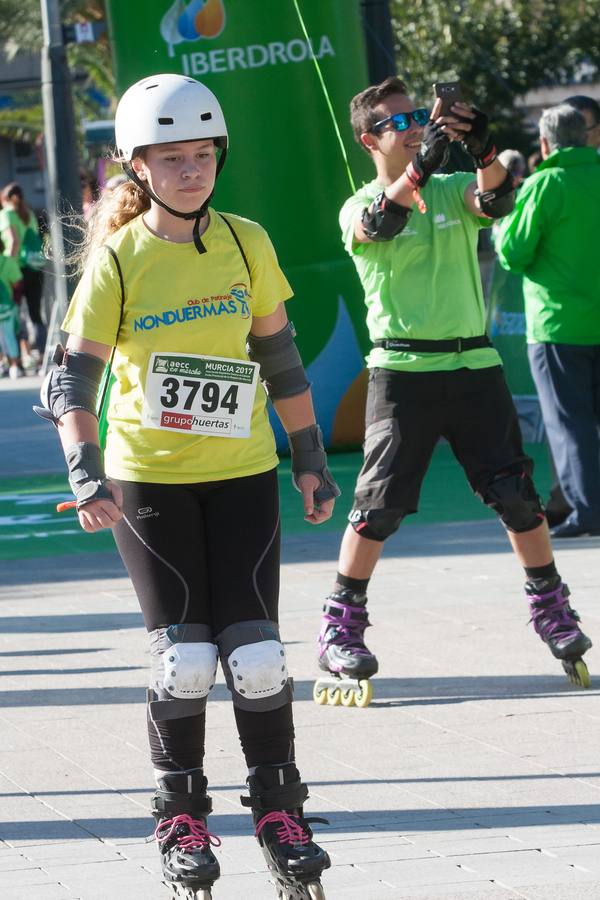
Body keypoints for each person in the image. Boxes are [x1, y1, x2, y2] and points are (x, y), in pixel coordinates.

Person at [35, 73, 337, 900]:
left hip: (244, 474)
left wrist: (309, 456)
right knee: (188, 661)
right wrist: (85, 470)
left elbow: (279, 358)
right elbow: (71, 382)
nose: (192, 171)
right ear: (138, 168)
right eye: (171, 159)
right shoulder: (120, 261)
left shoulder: (247, 241)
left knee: (261, 658)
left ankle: (281, 813)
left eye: (202, 155)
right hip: (149, 483)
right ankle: (181, 816)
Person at [315, 77, 592, 705]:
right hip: (402, 373)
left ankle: (551, 607)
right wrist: (416, 170)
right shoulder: (359, 203)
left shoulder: (447, 187)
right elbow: (380, 223)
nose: (412, 124)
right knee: (377, 507)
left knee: (518, 497)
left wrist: (487, 151)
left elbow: (495, 204)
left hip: (474, 365)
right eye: (395, 121)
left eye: (417, 114)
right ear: (367, 139)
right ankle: (341, 625)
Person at [496, 104, 600, 539]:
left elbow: (513, 252)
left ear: (544, 143)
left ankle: (587, 512)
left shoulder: (543, 185)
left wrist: (501, 224)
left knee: (569, 423)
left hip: (559, 327)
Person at [0, 182, 46, 366]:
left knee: (15, 316)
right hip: (35, 269)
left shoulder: (6, 215)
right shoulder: (28, 215)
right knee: (35, 314)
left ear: (5, 199)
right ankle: (41, 355)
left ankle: (18, 358)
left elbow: (13, 241)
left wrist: (7, 264)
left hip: (16, 271)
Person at [0, 236, 23, 378]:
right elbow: (17, 282)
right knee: (9, 334)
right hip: (6, 305)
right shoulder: (8, 261)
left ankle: (3, 363)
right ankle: (14, 365)